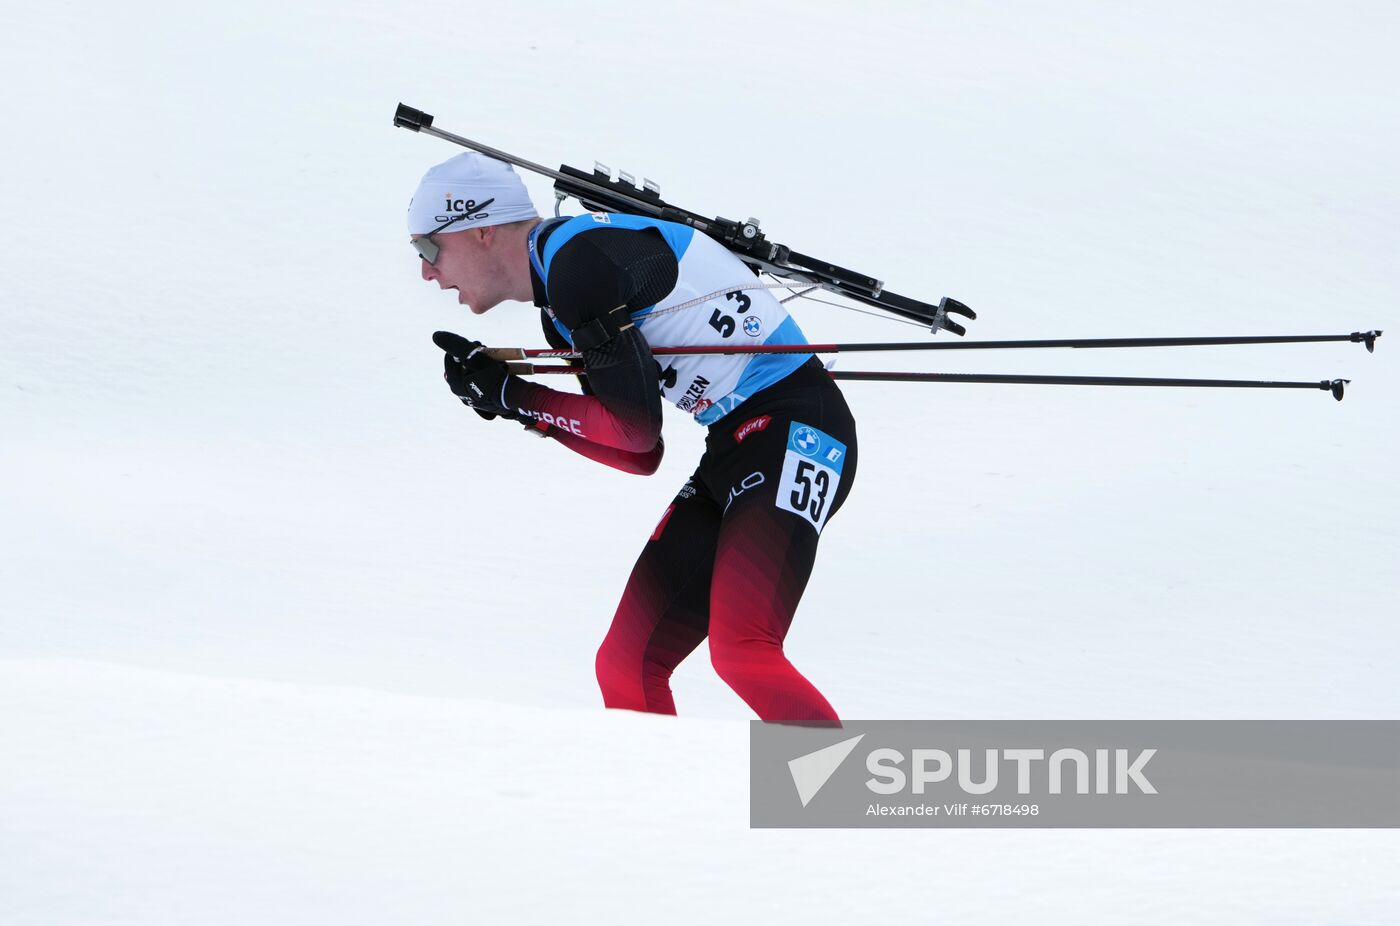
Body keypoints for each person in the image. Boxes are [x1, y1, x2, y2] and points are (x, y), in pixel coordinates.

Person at [408, 152, 857, 724]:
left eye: (428, 249)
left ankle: (844, 805)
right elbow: (639, 454)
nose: (425, 272)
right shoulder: (561, 292)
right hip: (735, 444)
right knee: (626, 663)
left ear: (482, 230)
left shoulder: (577, 266)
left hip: (799, 429)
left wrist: (512, 397)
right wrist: (512, 404)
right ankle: (652, 812)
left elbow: (634, 430)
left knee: (743, 652)